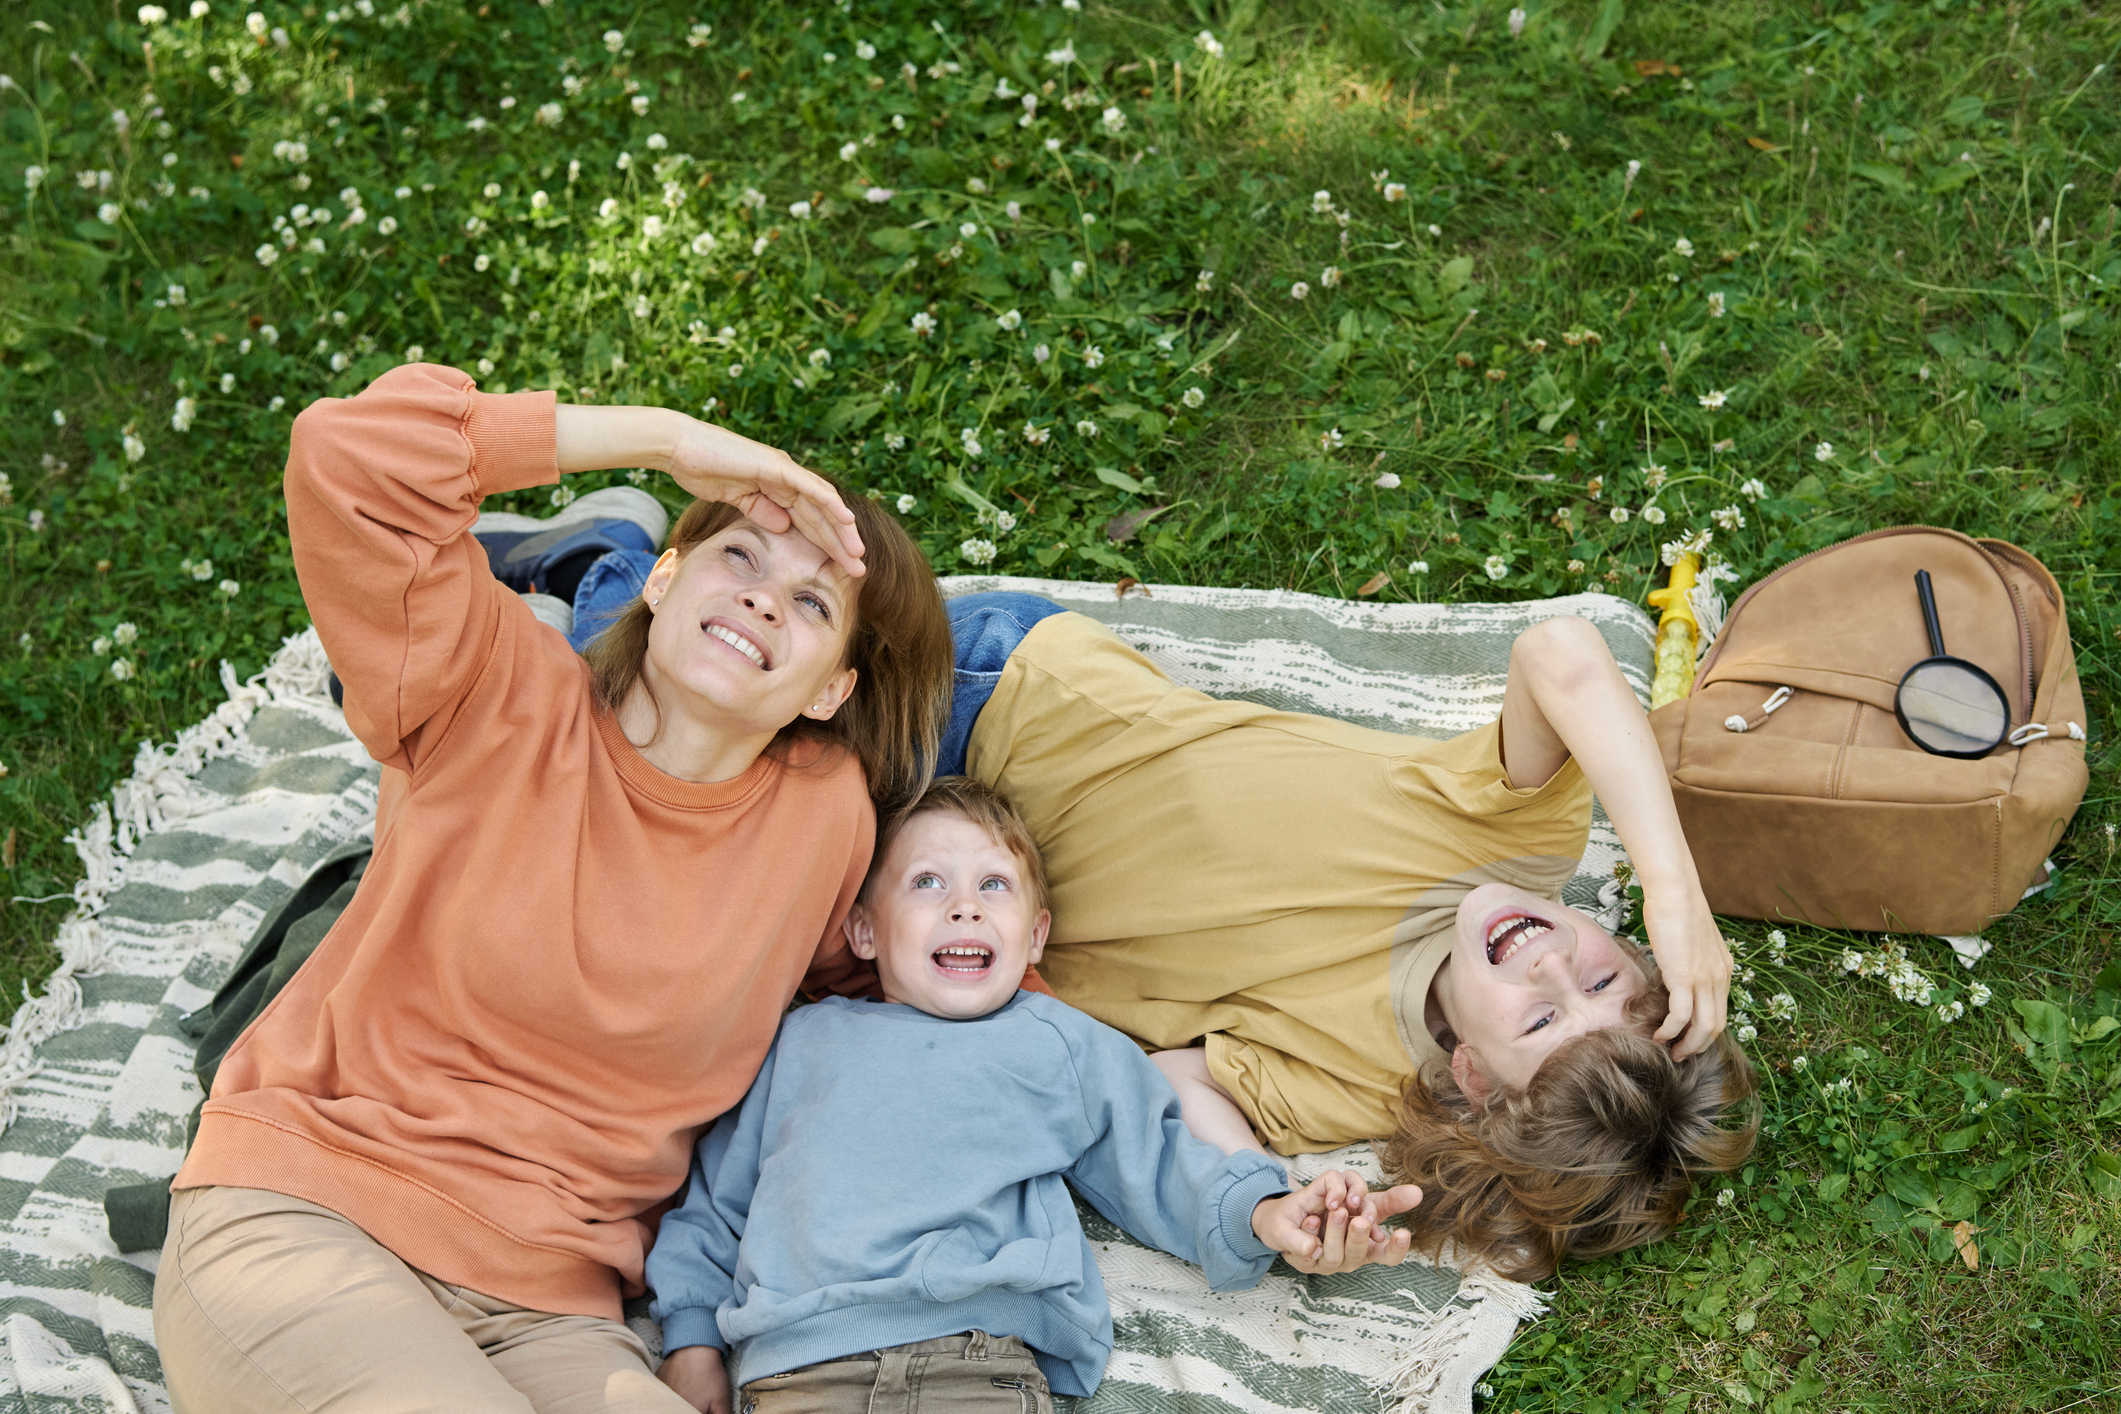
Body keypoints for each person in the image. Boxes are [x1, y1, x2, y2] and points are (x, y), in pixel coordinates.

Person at [150, 363, 955, 1414]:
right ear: (661, 580)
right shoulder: (497, 685)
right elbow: (344, 456)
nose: (763, 594)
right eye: (738, 555)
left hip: (555, 1313)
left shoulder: (826, 813)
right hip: (311, 1213)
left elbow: (881, 982)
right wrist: (669, 439)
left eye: (811, 600)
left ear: (831, 687)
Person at [884, 591, 1759, 1281]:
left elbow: (1175, 1079)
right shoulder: (1513, 838)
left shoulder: (1358, 1086)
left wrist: (1269, 1203)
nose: (1551, 962)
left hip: (931, 904)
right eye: (1605, 984)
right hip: (985, 698)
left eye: (1538, 1022)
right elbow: (1560, 654)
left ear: (1473, 1077)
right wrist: (1674, 889)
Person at [646, 778, 1424, 1414]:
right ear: (863, 932)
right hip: (799, 1368)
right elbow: (713, 1208)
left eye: (993, 885)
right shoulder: (799, 1043)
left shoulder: (1058, 1041)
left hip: (978, 1361)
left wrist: (1265, 1211)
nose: (964, 905)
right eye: (926, 883)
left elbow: (1156, 1160)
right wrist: (689, 1345)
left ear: (1036, 935)